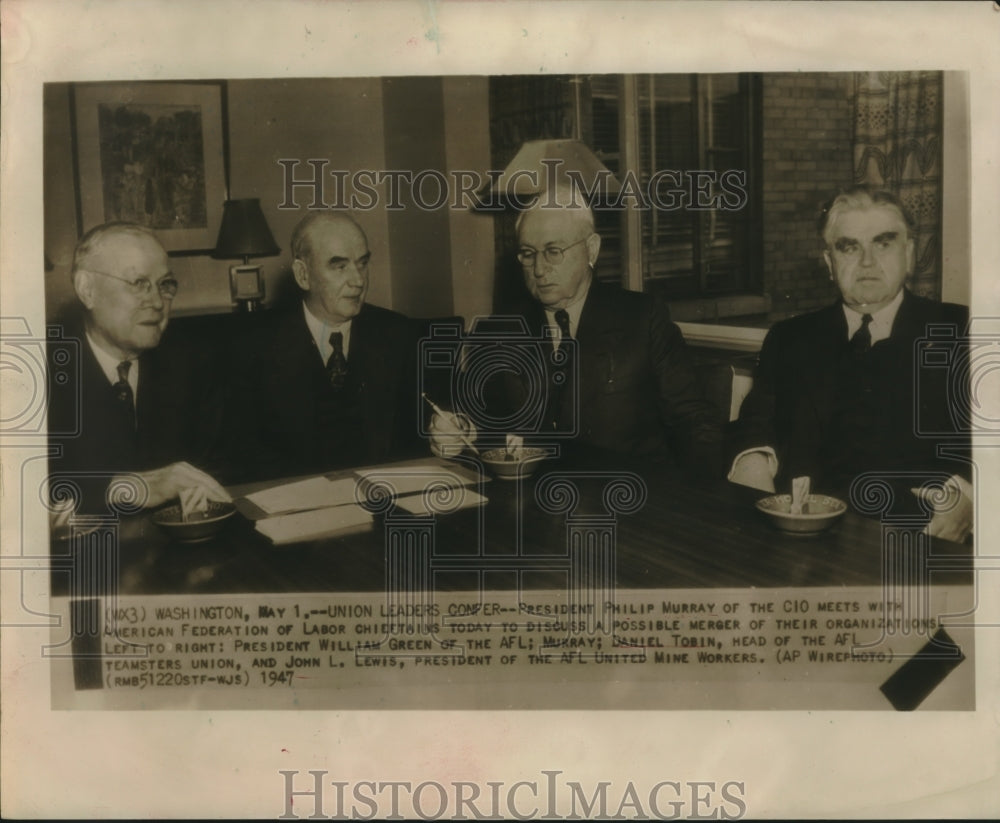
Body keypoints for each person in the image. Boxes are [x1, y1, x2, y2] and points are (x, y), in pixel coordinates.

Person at [729, 185, 972, 541]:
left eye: (884, 243)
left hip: (923, 539)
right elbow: (755, 425)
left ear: (909, 253)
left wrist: (969, 498)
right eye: (849, 247)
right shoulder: (789, 337)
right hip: (804, 538)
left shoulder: (962, 330)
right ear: (830, 263)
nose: (868, 262)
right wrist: (753, 465)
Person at [430, 186, 724, 477]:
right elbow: (486, 417)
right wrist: (459, 430)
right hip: (537, 501)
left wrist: (700, 500)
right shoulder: (505, 328)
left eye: (553, 251)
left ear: (591, 249)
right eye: (528, 254)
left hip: (629, 499)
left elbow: (694, 421)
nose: (539, 269)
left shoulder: (642, 318)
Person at [47, 222, 230, 514]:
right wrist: (135, 487)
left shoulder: (192, 363)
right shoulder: (36, 372)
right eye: (138, 284)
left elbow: (218, 468)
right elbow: (25, 489)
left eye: (165, 285)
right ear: (87, 290)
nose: (157, 302)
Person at [227, 212, 420, 481]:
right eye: (339, 266)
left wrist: (446, 432)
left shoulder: (399, 334)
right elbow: (241, 456)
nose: (358, 280)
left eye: (362, 263)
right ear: (303, 275)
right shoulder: (253, 348)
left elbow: (423, 429)